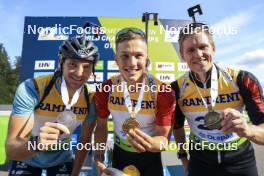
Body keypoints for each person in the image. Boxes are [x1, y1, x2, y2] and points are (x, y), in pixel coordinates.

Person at [72, 27, 175, 176]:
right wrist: (99, 155)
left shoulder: (163, 92)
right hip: (120, 154)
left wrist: (153, 144)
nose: (132, 63)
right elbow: (101, 126)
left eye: (138, 55)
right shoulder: (106, 88)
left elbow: (163, 140)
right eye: (125, 56)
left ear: (147, 59)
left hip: (150, 157)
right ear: (116, 60)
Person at [171, 22, 264, 176]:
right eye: (190, 50)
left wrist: (248, 130)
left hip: (240, 159)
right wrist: (183, 157)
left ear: (213, 48)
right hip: (200, 160)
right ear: (183, 55)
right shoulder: (177, 88)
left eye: (203, 47)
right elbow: (177, 126)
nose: (198, 54)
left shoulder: (242, 79)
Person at [5, 36, 99, 175]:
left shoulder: (91, 98)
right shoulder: (33, 88)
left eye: (86, 67)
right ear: (61, 63)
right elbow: (12, 149)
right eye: (73, 64)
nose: (80, 73)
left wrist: (75, 173)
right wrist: (36, 143)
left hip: (62, 160)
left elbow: (84, 140)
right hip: (27, 157)